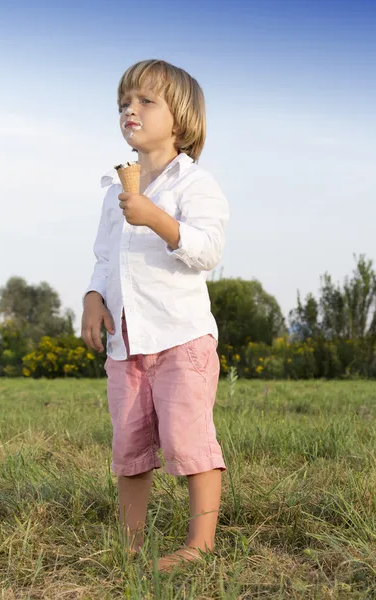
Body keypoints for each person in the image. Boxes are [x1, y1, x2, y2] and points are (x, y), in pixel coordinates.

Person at [81, 59, 229, 571]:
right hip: (127, 343)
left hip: (180, 338)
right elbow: (105, 257)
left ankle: (200, 543)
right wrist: (93, 298)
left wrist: (157, 219)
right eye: (125, 101)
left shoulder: (195, 185)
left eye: (146, 101)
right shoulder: (113, 191)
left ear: (181, 121)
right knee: (130, 446)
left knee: (190, 441)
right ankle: (130, 545)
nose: (131, 109)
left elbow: (208, 250)